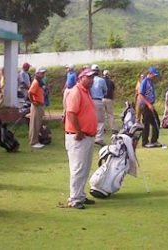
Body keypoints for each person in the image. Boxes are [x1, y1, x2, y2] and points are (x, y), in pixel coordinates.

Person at [64, 68, 97, 209]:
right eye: (88, 77)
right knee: (78, 168)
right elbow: (71, 113)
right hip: (78, 136)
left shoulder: (85, 92)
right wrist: (78, 131)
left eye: (92, 78)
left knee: (85, 168)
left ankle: (80, 195)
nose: (91, 80)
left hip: (87, 136)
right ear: (80, 78)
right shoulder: (76, 92)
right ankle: (75, 198)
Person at [138, 66, 162, 148]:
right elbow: (140, 94)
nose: (155, 77)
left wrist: (151, 104)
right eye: (154, 75)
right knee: (146, 124)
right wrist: (148, 104)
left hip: (150, 105)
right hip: (145, 105)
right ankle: (145, 142)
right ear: (150, 74)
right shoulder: (145, 81)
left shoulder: (151, 82)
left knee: (156, 122)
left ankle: (154, 140)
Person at [28, 67, 46, 149]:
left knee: (37, 123)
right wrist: (33, 101)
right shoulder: (36, 82)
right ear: (37, 73)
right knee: (35, 124)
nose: (43, 74)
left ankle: (35, 140)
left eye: (44, 73)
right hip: (36, 105)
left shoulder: (40, 82)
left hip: (40, 104)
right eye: (42, 73)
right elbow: (30, 92)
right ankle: (33, 142)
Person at [89, 64, 107, 145]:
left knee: (91, 119)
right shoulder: (101, 80)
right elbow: (105, 90)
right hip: (98, 100)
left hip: (89, 100)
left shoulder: (89, 80)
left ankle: (91, 136)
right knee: (100, 121)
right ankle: (99, 138)